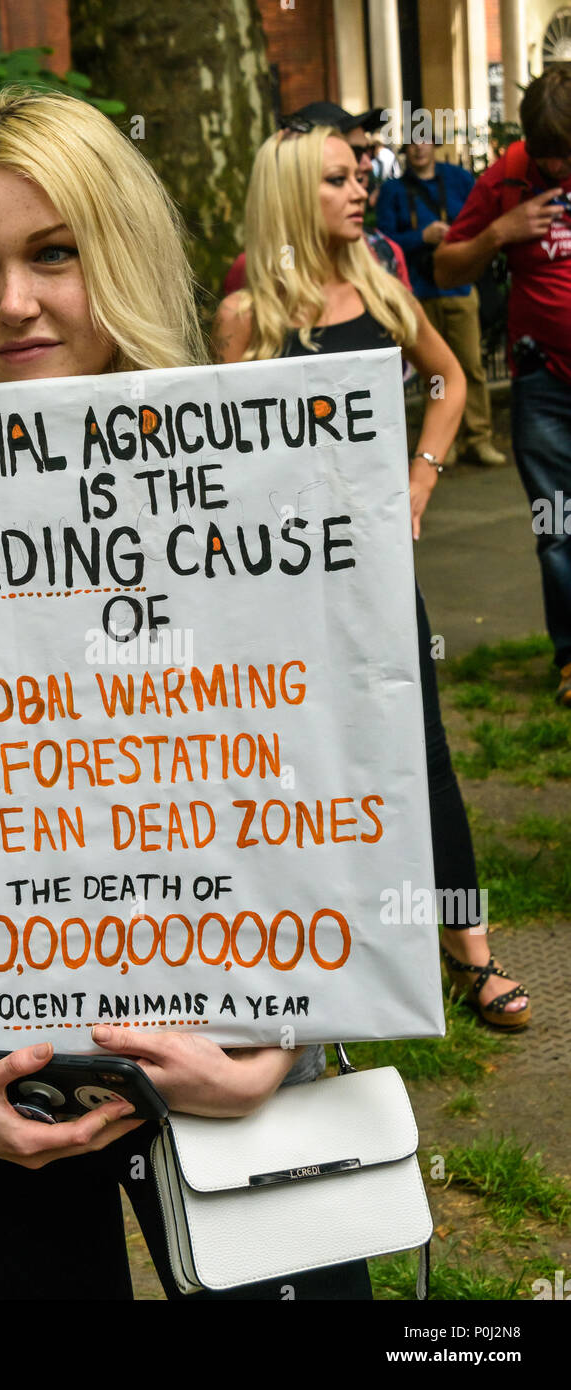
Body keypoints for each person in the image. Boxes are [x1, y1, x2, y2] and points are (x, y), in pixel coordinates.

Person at [0, 87, 371, 1302]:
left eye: (51, 252)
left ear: (116, 246)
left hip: (238, 1048)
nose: (11, 301)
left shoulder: (260, 478)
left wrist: (273, 1053)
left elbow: (338, 795)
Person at [212, 124, 530, 1032]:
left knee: (419, 747)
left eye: (359, 177)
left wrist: (419, 480)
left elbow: (449, 381)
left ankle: (471, 948)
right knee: (301, 760)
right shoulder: (247, 317)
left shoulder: (382, 291)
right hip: (279, 585)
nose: (360, 192)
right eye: (336, 181)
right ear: (286, 196)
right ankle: (323, 949)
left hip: (377, 573)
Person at [434, 67, 571, 708]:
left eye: (566, 154)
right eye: (546, 154)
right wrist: (499, 233)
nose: (554, 165)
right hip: (541, 379)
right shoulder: (507, 177)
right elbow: (444, 265)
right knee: (558, 529)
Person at [377, 137, 505, 467]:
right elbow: (385, 242)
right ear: (405, 151)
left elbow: (482, 222)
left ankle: (478, 438)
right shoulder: (394, 190)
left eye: (424, 142)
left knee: (471, 366)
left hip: (459, 289)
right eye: (411, 145)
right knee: (432, 374)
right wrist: (423, 237)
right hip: (418, 294)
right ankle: (439, 446)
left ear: (435, 145)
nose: (419, 149)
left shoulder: (459, 179)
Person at [223, 102, 412, 297]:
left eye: (368, 152)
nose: (367, 165)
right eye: (354, 153)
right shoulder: (257, 269)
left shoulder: (385, 252)